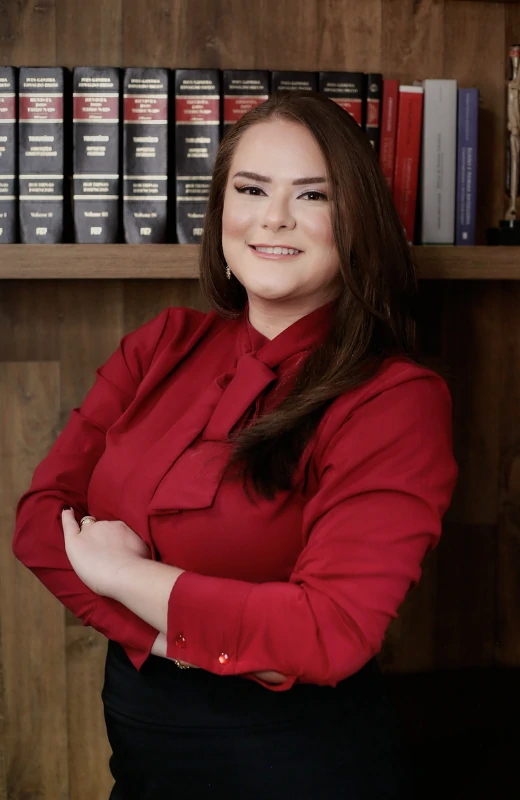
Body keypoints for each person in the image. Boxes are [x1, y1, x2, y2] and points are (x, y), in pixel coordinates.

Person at [13, 91, 458, 799]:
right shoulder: (161, 345)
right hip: (141, 766)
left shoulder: (394, 400)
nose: (274, 217)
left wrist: (121, 576)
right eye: (251, 189)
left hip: (299, 771)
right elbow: (40, 524)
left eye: (312, 194)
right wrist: (190, 638)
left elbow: (328, 634)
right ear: (221, 208)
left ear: (357, 221)